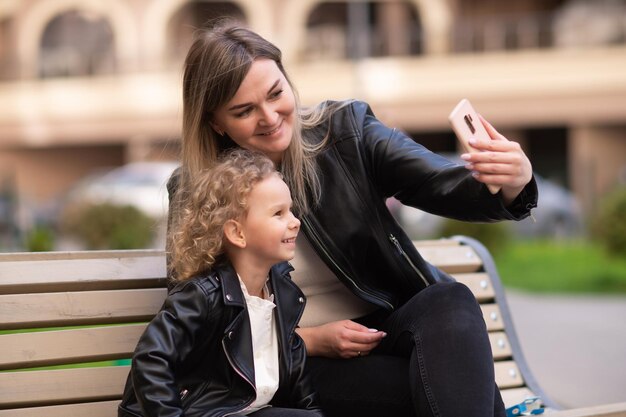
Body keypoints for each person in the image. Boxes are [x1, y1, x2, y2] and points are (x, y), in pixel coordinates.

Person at [167, 20, 538, 417]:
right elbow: (196, 326)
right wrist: (306, 339)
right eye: (244, 111)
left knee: (450, 300)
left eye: (277, 93)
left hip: (383, 332)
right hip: (290, 365)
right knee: (450, 387)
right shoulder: (196, 189)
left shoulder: (346, 133)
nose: (270, 116)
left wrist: (513, 180)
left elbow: (440, 182)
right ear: (215, 122)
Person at [119, 149, 325, 417]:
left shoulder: (283, 294)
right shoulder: (202, 295)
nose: (295, 222)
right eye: (279, 214)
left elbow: (298, 379)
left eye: (291, 211)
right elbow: (151, 360)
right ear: (237, 233)